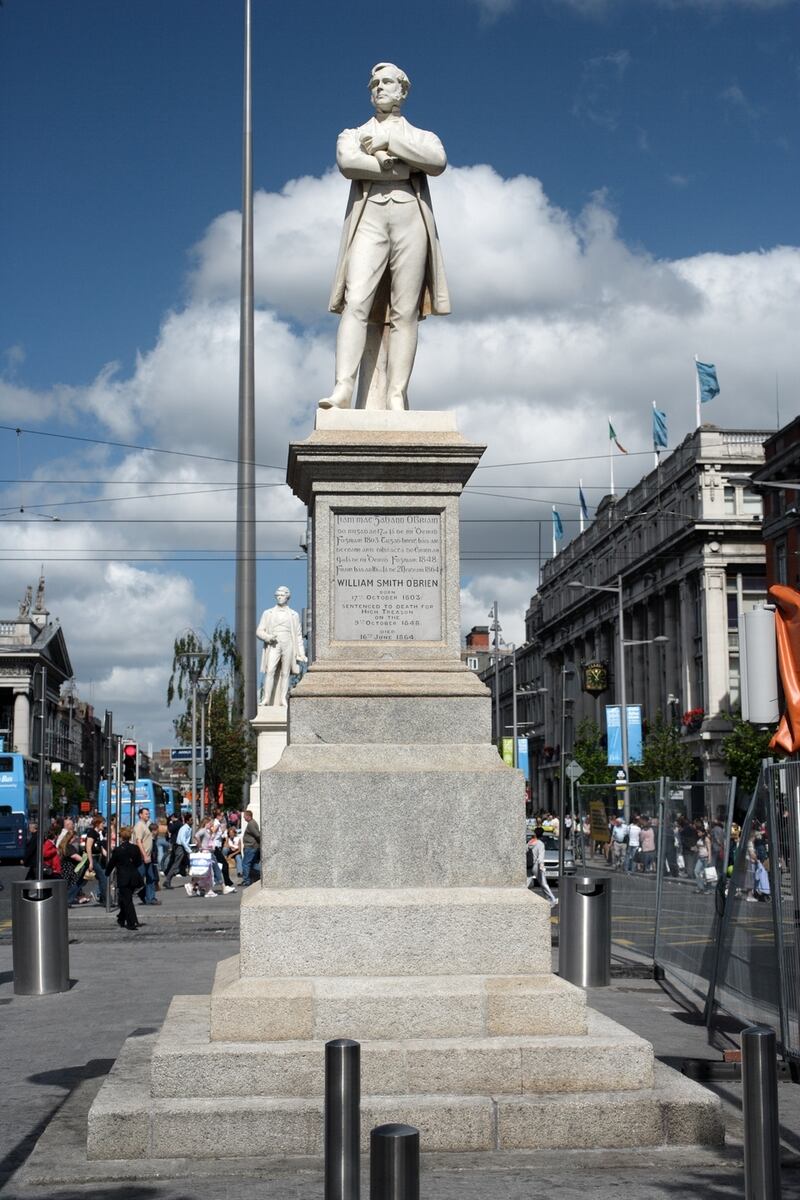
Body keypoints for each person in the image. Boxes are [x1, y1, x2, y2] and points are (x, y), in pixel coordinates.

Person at [320, 61, 450, 412]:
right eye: (374, 83)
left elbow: (436, 161)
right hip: (370, 217)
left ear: (403, 90)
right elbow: (349, 163)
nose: (379, 87)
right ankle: (343, 388)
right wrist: (400, 166)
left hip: (410, 217)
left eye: (387, 82)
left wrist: (390, 142)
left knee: (405, 311)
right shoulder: (352, 133)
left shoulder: (421, 136)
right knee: (356, 299)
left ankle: (396, 395)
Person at [257, 587, 307, 707]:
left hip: (288, 643)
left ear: (287, 597)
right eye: (277, 595)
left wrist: (301, 653)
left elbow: (298, 635)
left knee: (285, 673)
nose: (279, 597)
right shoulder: (267, 613)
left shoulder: (294, 615)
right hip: (274, 644)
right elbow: (259, 631)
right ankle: (266, 698)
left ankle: (283, 699)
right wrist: (268, 637)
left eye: (282, 595)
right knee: (270, 670)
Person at [107, 827, 143, 930]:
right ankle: (121, 918)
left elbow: (112, 863)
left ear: (121, 837)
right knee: (125, 899)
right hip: (133, 877)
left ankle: (132, 922)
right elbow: (138, 862)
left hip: (123, 877)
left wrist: (107, 873)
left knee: (127, 900)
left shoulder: (118, 850)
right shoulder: (135, 848)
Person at [132, 807, 158, 905]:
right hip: (142, 857)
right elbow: (138, 841)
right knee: (138, 878)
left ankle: (151, 898)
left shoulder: (146, 825)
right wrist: (144, 855)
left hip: (147, 856)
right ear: (140, 815)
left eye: (148, 813)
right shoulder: (139, 826)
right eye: (146, 814)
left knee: (150, 877)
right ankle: (126, 894)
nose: (148, 815)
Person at [526, 831, 557, 906]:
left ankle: (519, 897)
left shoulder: (529, 843)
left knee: (526, 883)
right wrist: (541, 867)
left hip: (529, 865)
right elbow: (541, 857)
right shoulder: (540, 844)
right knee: (543, 883)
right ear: (541, 836)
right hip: (536, 865)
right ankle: (552, 899)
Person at [164, 813, 193, 888]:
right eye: (191, 820)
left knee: (188, 864)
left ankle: (195, 881)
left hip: (182, 847)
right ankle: (167, 880)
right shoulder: (184, 828)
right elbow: (182, 840)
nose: (192, 821)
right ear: (187, 821)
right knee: (176, 864)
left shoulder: (188, 828)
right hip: (180, 847)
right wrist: (189, 850)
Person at [85, 815, 108, 904]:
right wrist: (90, 862)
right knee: (103, 878)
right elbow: (88, 848)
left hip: (96, 858)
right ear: (97, 824)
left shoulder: (98, 834)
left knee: (82, 881)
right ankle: (105, 900)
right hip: (92, 858)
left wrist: (108, 856)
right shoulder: (92, 833)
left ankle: (68, 898)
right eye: (102, 823)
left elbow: (100, 848)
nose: (103, 825)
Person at [241, 809, 261, 886]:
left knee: (245, 863)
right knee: (253, 864)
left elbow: (257, 834)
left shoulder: (251, 824)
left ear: (248, 816)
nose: (244, 818)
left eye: (244, 816)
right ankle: (259, 876)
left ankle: (247, 880)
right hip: (253, 846)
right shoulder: (252, 823)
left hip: (251, 847)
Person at [694, 820, 712, 894]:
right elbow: (699, 848)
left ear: (703, 832)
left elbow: (709, 849)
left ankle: (708, 889)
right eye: (697, 832)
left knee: (708, 875)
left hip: (706, 858)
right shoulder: (700, 839)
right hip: (700, 858)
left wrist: (709, 858)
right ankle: (700, 886)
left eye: (699, 832)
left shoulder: (706, 839)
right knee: (696, 871)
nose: (698, 833)